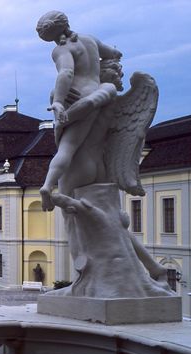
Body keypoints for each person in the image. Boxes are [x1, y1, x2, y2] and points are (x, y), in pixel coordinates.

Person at [36, 11, 122, 211]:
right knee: (74, 146)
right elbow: (114, 54)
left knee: (68, 146)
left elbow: (66, 72)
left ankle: (48, 185)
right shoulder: (90, 40)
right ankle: (50, 186)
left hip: (78, 99)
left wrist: (58, 100)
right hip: (94, 93)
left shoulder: (61, 49)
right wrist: (112, 61)